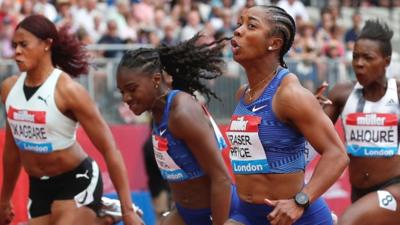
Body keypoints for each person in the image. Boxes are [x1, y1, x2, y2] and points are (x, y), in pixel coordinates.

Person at [0, 15, 142, 225]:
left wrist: (128, 210)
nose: (17, 52)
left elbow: (110, 149)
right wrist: (4, 200)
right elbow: (12, 149)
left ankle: (103, 213)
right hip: (39, 185)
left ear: (47, 44)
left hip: (76, 178)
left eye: (23, 44)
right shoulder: (9, 88)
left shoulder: (69, 91)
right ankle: (101, 217)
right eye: (14, 45)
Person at [224, 5, 349, 225]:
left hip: (295, 219)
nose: (238, 31)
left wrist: (300, 201)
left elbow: (337, 155)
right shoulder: (243, 93)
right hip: (246, 214)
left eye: (251, 25)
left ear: (274, 43)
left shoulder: (289, 94)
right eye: (239, 24)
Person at [116, 33, 238, 225]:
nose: (126, 98)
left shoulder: (182, 113)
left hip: (218, 213)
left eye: (132, 89)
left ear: (156, 79)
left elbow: (221, 179)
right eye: (122, 91)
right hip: (185, 213)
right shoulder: (157, 112)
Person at [318, 20, 400, 225]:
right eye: (355, 57)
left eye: (368, 58)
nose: (359, 63)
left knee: (347, 221)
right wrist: (309, 108)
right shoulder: (342, 93)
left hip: (394, 188)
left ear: (386, 61)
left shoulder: (397, 93)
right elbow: (314, 135)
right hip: (358, 191)